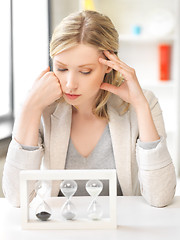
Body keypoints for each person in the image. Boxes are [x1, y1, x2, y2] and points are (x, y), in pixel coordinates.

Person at [3, 10, 176, 207]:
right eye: (61, 68)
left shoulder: (142, 104)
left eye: (85, 71)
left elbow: (160, 197)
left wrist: (141, 105)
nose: (70, 84)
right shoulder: (42, 107)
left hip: (123, 229)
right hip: (60, 228)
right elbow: (16, 198)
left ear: (109, 65)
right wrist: (29, 108)